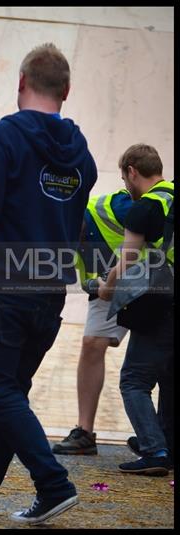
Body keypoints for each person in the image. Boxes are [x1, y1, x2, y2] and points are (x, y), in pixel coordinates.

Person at [0, 43, 96, 525]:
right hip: (50, 293)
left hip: (7, 286)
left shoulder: (4, 138)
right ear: (67, 91)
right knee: (11, 394)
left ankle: (53, 484)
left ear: (20, 83)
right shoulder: (81, 155)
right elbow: (77, 224)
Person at [97, 144, 173, 476]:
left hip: (162, 301)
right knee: (170, 377)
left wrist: (107, 287)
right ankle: (166, 442)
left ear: (132, 171)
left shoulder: (143, 208)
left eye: (124, 176)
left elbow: (127, 259)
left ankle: (155, 450)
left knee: (134, 380)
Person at [52, 189, 133, 455]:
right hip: (110, 289)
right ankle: (84, 433)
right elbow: (84, 282)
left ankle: (158, 435)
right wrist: (98, 284)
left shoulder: (114, 206)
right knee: (91, 344)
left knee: (149, 363)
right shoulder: (63, 239)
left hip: (151, 279)